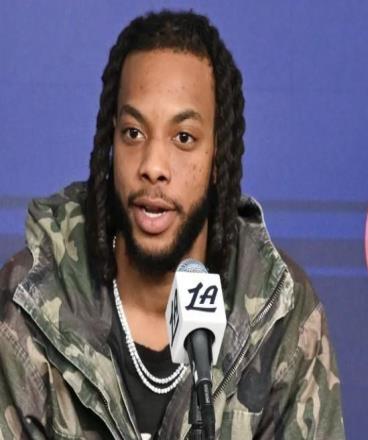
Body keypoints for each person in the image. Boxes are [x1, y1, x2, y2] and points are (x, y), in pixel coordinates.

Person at [0, 9, 345, 440]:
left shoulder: (281, 317)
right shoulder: (27, 303)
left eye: (183, 138)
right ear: (111, 141)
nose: (153, 166)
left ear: (217, 156)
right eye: (133, 133)